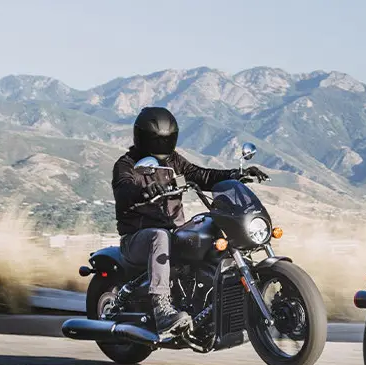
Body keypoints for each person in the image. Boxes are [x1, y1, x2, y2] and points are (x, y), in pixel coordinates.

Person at [111, 107, 269, 332]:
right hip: (137, 239)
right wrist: (141, 190)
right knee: (159, 235)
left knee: (208, 226)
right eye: (157, 140)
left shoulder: (173, 160)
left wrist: (235, 175)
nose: (162, 146)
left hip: (173, 233)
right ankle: (161, 309)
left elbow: (201, 175)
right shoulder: (126, 164)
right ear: (142, 137)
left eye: (166, 140)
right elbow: (124, 188)